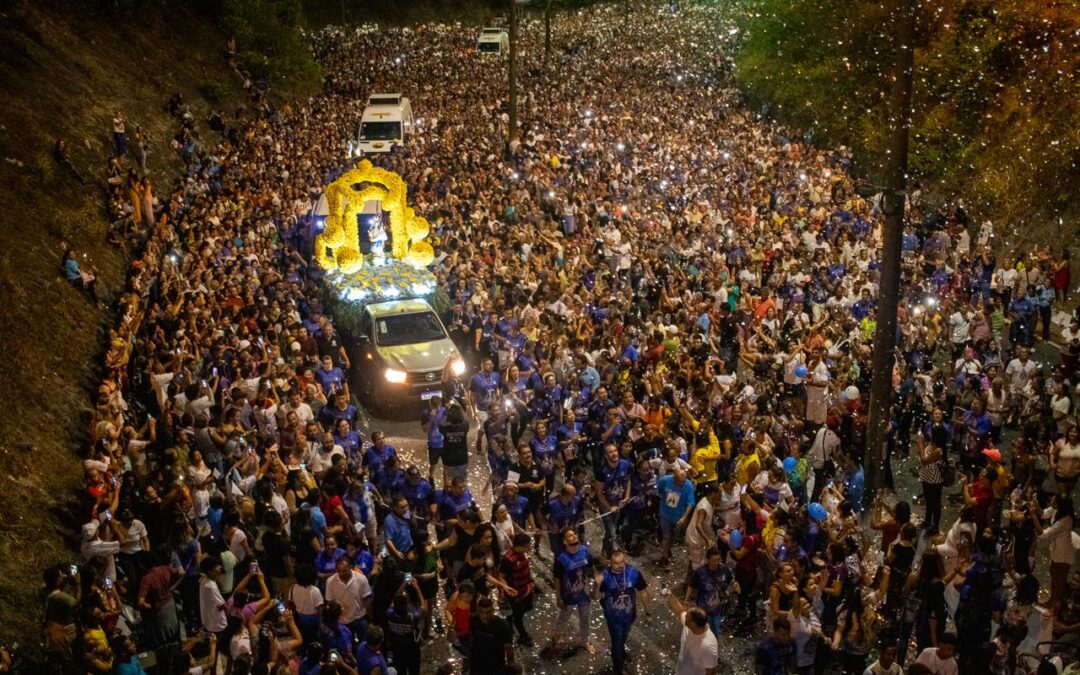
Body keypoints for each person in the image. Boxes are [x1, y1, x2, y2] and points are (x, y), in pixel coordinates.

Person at [595, 549, 651, 675]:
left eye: (621, 562)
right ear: (610, 563)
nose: (619, 566)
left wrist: (648, 611)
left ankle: (621, 650)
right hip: (613, 617)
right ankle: (618, 668)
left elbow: (643, 592)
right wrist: (596, 584)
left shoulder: (633, 573)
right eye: (616, 563)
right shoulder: (605, 575)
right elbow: (595, 596)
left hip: (630, 614)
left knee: (623, 637)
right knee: (616, 642)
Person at [551, 528, 595, 653]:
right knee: (564, 617)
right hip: (568, 594)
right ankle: (557, 636)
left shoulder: (585, 551)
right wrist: (558, 597)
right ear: (565, 542)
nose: (574, 536)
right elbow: (558, 579)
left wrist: (595, 586)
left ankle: (585, 641)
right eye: (570, 536)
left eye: (575, 534)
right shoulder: (561, 559)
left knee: (585, 618)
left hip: (584, 592)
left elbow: (591, 568)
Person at [668, 592, 720, 675]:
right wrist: (670, 596)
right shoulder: (689, 626)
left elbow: (711, 671)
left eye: (687, 617)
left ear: (694, 624)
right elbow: (680, 611)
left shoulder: (708, 647)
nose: (685, 617)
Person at [498, 533, 536, 646]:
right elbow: (501, 576)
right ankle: (523, 635)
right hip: (516, 592)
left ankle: (511, 618)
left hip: (527, 588)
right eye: (527, 545)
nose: (529, 547)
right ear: (521, 546)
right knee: (519, 615)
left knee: (529, 606)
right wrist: (506, 588)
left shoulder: (523, 554)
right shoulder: (508, 559)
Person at [468, 596, 515, 674]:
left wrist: (510, 668)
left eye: (488, 612)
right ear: (477, 611)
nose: (485, 616)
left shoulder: (502, 626)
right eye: (481, 612)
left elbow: (509, 649)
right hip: (477, 661)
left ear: (493, 610)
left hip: (495, 663)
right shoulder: (473, 620)